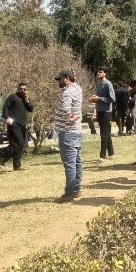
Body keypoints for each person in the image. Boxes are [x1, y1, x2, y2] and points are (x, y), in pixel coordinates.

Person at [53, 69, 83, 203]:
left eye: (59, 79)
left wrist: (66, 116)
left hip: (67, 131)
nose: (58, 82)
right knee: (76, 162)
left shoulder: (67, 92)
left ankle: (70, 192)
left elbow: (66, 108)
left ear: (66, 78)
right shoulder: (78, 88)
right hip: (76, 131)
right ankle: (76, 189)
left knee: (70, 163)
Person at [0, 83, 34, 172]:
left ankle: (17, 166)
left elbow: (31, 109)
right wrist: (6, 117)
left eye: (25, 89)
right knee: (19, 143)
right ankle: (2, 160)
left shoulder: (25, 99)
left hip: (22, 125)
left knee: (20, 144)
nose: (23, 91)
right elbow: (5, 107)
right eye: (21, 89)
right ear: (18, 89)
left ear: (27, 90)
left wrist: (27, 100)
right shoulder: (12, 97)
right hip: (14, 124)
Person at [90, 67, 115, 164]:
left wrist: (99, 99)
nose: (98, 74)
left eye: (100, 72)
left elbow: (112, 98)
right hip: (99, 110)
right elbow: (98, 99)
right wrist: (94, 100)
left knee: (103, 134)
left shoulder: (108, 84)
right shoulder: (98, 84)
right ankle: (111, 153)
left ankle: (102, 156)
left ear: (105, 74)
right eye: (98, 72)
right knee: (107, 133)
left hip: (106, 111)